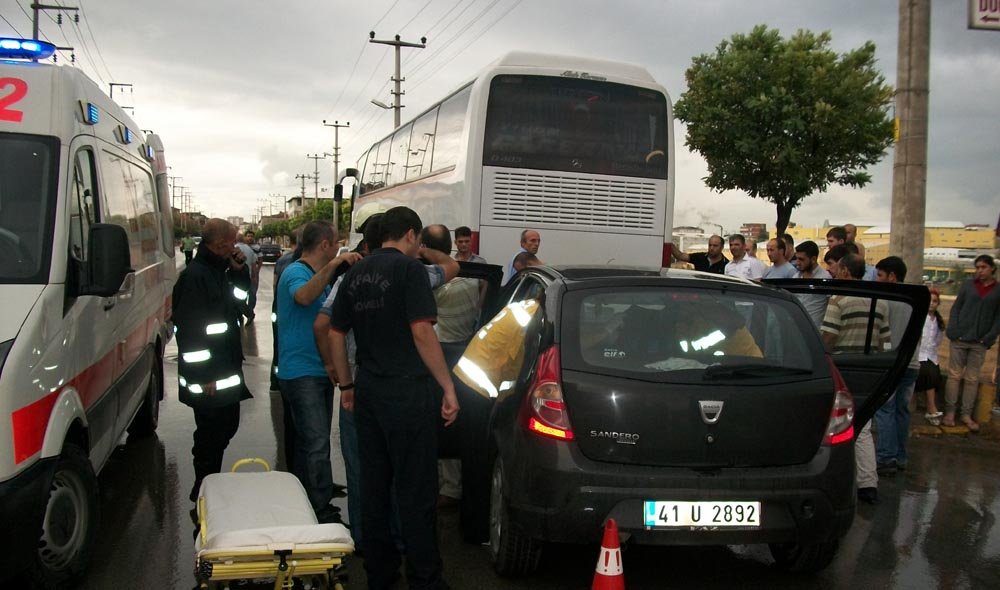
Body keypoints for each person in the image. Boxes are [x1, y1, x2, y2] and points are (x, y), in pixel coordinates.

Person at [328, 206, 459, 589]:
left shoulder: (354, 273)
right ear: (411, 234)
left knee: (374, 488)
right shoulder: (409, 270)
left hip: (368, 391)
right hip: (407, 392)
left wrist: (348, 387)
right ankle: (424, 579)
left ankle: (380, 576)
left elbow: (335, 334)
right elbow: (422, 331)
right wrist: (448, 387)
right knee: (416, 491)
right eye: (418, 240)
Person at [276, 221, 360, 523]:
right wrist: (336, 265)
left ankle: (307, 495)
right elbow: (303, 297)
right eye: (335, 243)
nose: (338, 247)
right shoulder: (296, 272)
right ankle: (321, 509)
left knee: (309, 442)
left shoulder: (320, 277)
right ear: (324, 245)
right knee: (316, 444)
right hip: (301, 373)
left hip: (317, 370)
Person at [171, 219, 253, 503]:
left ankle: (209, 483)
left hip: (225, 369)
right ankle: (204, 489)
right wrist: (203, 375)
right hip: (208, 376)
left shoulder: (221, 271)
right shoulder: (196, 276)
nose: (236, 246)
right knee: (210, 435)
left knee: (225, 427)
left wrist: (240, 272)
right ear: (220, 244)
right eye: (232, 242)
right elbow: (191, 333)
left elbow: (244, 304)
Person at [820, 254, 890, 505]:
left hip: (842, 367)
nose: (834, 272)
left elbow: (828, 336)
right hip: (869, 370)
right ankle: (868, 482)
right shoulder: (880, 302)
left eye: (837, 268)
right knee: (863, 427)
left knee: (835, 427)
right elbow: (885, 341)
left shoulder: (839, 300)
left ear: (847, 271)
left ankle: (838, 481)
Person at [943, 254, 1000, 431]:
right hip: (960, 338)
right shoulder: (968, 286)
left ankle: (966, 414)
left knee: (972, 379)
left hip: (980, 341)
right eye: (977, 267)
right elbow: (957, 308)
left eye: (983, 267)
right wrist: (953, 331)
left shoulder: (998, 290)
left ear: (992, 269)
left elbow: (998, 317)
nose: (980, 271)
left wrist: (989, 338)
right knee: (954, 376)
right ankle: (950, 412)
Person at [873, 256, 919, 475]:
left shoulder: (886, 300)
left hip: (892, 362)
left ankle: (885, 457)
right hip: (912, 363)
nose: (877, 280)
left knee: (884, 409)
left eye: (880, 276)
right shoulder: (914, 299)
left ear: (892, 276)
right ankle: (901, 456)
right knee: (902, 410)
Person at [917, 288, 945, 424]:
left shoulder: (938, 322)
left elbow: (939, 340)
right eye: (929, 301)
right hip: (919, 355)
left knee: (933, 374)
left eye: (935, 301)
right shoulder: (920, 317)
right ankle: (931, 408)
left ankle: (931, 408)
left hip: (931, 355)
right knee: (927, 373)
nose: (931, 304)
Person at [793, 240, 832, 328]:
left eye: (801, 259)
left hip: (815, 330)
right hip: (797, 328)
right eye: (797, 258)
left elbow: (830, 306)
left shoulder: (825, 278)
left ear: (813, 259)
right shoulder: (795, 278)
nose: (797, 262)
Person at [235, 233, 259, 322]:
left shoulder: (234, 248)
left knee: (238, 299)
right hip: (247, 277)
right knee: (243, 297)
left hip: (236, 278)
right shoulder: (250, 250)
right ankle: (246, 314)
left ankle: (245, 315)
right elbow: (254, 266)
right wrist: (254, 278)